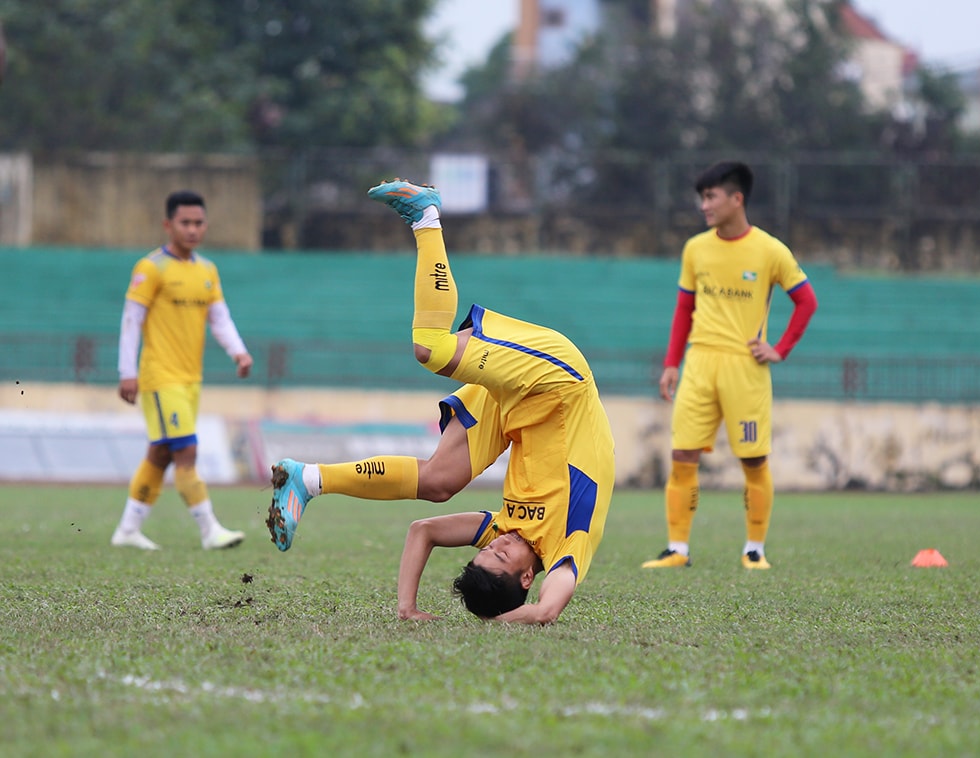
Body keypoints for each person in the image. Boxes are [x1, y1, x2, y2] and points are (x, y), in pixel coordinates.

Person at [266, 178, 615, 625]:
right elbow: (546, 611)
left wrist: (407, 608)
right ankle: (426, 215)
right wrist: (502, 622)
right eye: (500, 556)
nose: (495, 545)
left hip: (518, 412)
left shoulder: (504, 530)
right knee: (430, 348)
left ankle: (307, 479)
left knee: (437, 483)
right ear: (528, 577)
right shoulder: (569, 545)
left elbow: (423, 531)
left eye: (486, 551)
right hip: (559, 383)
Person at [641, 161, 817, 571]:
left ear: (737, 199)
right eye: (702, 197)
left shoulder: (770, 250)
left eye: (711, 196)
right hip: (699, 364)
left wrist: (780, 348)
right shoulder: (696, 248)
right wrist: (672, 363)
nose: (704, 205)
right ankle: (677, 549)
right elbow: (685, 308)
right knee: (682, 453)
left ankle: (754, 549)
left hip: (745, 367)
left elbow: (806, 300)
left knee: (754, 460)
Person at [111, 190, 252, 551]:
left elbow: (219, 317)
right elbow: (131, 320)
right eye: (185, 222)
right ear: (168, 224)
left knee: (160, 454)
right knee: (186, 452)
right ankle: (210, 530)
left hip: (191, 379)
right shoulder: (151, 268)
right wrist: (127, 371)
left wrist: (238, 352)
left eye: (198, 223)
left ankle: (128, 530)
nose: (192, 229)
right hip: (161, 377)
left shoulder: (206, 270)